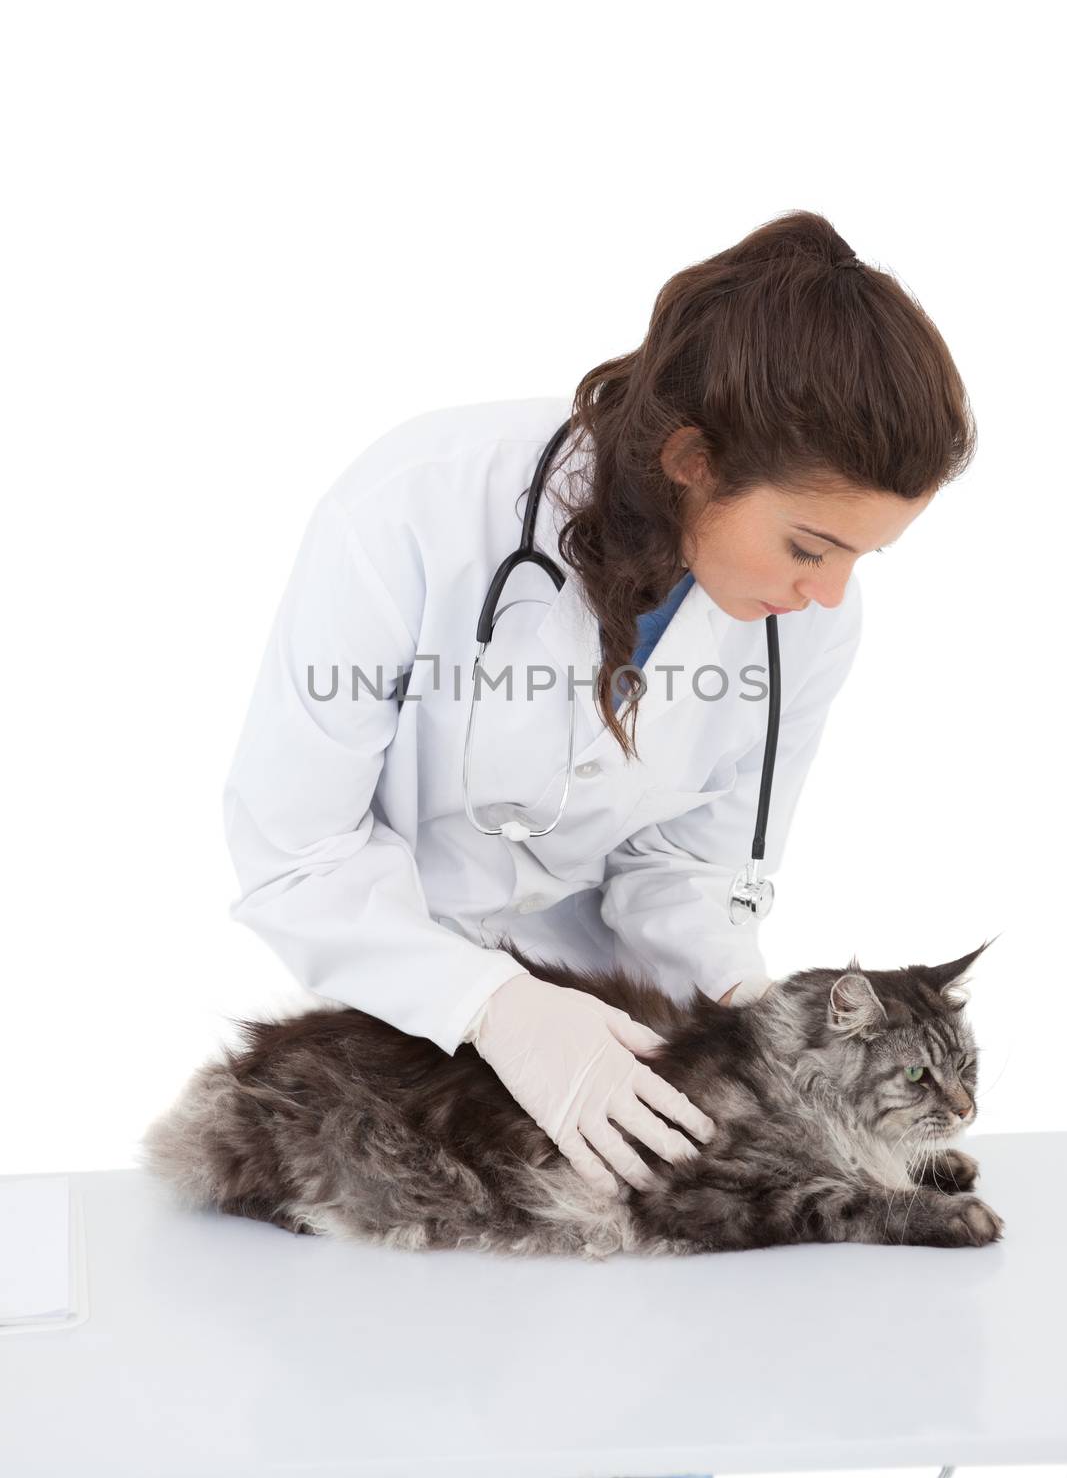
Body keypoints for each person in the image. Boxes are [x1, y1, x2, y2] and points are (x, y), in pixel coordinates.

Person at [221, 210, 975, 1201]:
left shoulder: (808, 624)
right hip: (395, 1025)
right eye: (806, 545)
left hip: (618, 1044)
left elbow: (686, 866)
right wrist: (491, 1004)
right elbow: (296, 852)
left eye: (856, 556)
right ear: (693, 460)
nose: (826, 592)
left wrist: (756, 1010)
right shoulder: (413, 507)